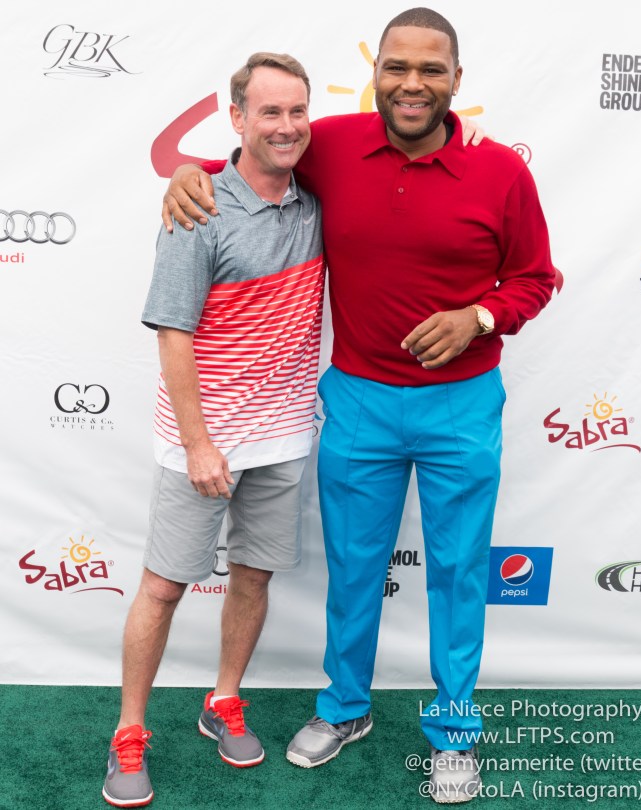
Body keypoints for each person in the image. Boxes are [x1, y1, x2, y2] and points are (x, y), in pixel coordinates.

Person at [162, 8, 556, 804]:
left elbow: (535, 279)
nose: (412, 84)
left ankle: (453, 731)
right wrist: (191, 170)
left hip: (461, 406)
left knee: (453, 572)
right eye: (396, 67)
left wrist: (478, 316)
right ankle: (345, 708)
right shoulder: (333, 144)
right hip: (358, 402)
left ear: (455, 80)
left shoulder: (500, 172)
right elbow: (255, 156)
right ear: (375, 71)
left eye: (430, 70)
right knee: (355, 572)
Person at [102, 53, 325, 808]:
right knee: (163, 588)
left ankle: (222, 700)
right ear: (237, 119)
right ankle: (129, 731)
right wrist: (200, 443)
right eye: (269, 112)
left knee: (251, 580)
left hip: (286, 435)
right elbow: (172, 332)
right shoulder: (196, 208)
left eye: (297, 111)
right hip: (203, 442)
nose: (287, 126)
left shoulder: (316, 199)